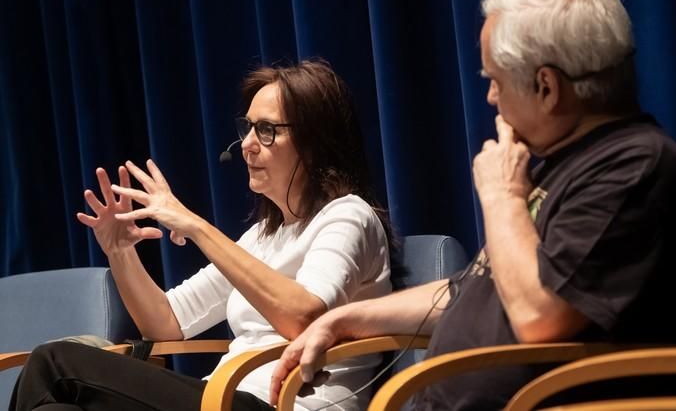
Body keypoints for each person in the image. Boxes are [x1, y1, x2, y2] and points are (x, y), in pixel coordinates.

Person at [270, 0, 676, 410]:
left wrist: (502, 196)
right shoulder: (556, 165)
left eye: (495, 80)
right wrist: (344, 320)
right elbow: (475, 289)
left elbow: (539, 315)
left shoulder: (636, 166)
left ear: (547, 87)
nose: (491, 97)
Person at [10, 60, 393, 411]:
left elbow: (305, 317)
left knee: (55, 362)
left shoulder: (347, 216)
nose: (246, 145)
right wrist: (119, 251)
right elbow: (166, 324)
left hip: (287, 404)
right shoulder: (261, 236)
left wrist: (195, 225)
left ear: (315, 142)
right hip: (223, 396)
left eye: (266, 131)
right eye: (247, 128)